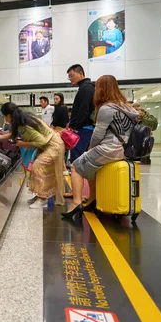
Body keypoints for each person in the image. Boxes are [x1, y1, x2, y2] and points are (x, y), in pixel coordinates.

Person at [62, 75, 139, 218]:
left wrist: (90, 148)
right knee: (90, 165)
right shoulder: (126, 107)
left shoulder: (106, 108)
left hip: (109, 149)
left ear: (101, 89)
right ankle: (92, 199)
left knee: (75, 166)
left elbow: (97, 135)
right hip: (124, 150)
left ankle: (76, 203)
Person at [0, 102, 65, 208]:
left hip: (53, 145)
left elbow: (42, 141)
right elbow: (14, 133)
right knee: (36, 167)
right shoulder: (22, 120)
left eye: (4, 116)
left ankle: (43, 199)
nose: (4, 118)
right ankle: (40, 194)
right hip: (49, 144)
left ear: (8, 115)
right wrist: (1, 137)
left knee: (38, 166)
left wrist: (23, 144)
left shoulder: (26, 125)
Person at [67, 64, 95, 163]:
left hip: (84, 129)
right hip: (85, 129)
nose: (70, 79)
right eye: (69, 77)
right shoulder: (85, 87)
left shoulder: (87, 88)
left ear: (80, 73)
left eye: (71, 75)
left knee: (77, 162)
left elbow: (84, 109)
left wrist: (77, 128)